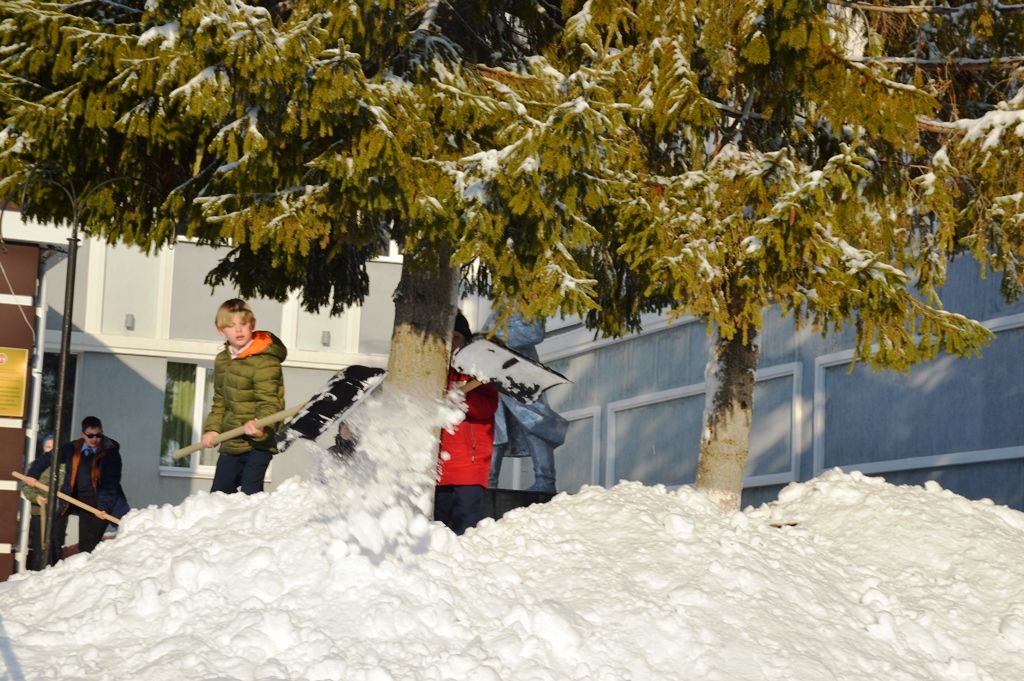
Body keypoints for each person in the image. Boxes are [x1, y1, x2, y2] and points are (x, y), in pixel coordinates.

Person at [202, 298, 287, 495]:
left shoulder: (265, 360)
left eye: (243, 324)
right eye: (231, 326)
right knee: (219, 495)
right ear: (221, 330)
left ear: (252, 324)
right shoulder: (222, 360)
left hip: (258, 441)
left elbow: (271, 402)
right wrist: (212, 429)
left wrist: (261, 426)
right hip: (231, 439)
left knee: (251, 494)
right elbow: (220, 399)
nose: (238, 330)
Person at [485, 311, 568, 494]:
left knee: (535, 424)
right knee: (494, 427)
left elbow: (534, 332)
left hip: (521, 373)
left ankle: (545, 481)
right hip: (494, 373)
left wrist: (494, 336)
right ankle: (488, 482)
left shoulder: (526, 300)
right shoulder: (498, 307)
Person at [434, 311, 499, 535]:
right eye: (447, 338)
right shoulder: (434, 372)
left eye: (457, 337)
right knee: (436, 532)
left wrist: (463, 396)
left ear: (465, 341)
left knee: (466, 533)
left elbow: (487, 408)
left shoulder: (477, 373)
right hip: (436, 469)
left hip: (468, 470)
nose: (452, 343)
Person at [26, 417, 130, 555]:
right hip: (82, 502)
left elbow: (110, 485)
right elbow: (49, 457)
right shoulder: (72, 449)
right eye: (90, 435)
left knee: (91, 544)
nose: (95, 439)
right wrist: (33, 474)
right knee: (85, 545)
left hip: (103, 503)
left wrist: (103, 508)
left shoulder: (110, 453)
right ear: (83, 435)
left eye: (98, 435)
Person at [21, 433, 66, 569]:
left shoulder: (64, 465)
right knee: (40, 548)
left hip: (58, 512)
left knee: (55, 545)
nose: (51, 449)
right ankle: (37, 576)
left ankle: (53, 577)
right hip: (39, 512)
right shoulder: (36, 465)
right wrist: (36, 498)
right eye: (48, 446)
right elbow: (27, 487)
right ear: (43, 448)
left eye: (54, 447)